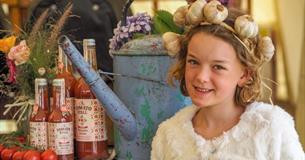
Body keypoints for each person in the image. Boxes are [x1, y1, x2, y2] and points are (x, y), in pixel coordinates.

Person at [151, 0, 305, 159]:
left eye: (218, 67)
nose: (201, 77)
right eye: (194, 62)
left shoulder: (272, 128)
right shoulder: (168, 136)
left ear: (245, 75)